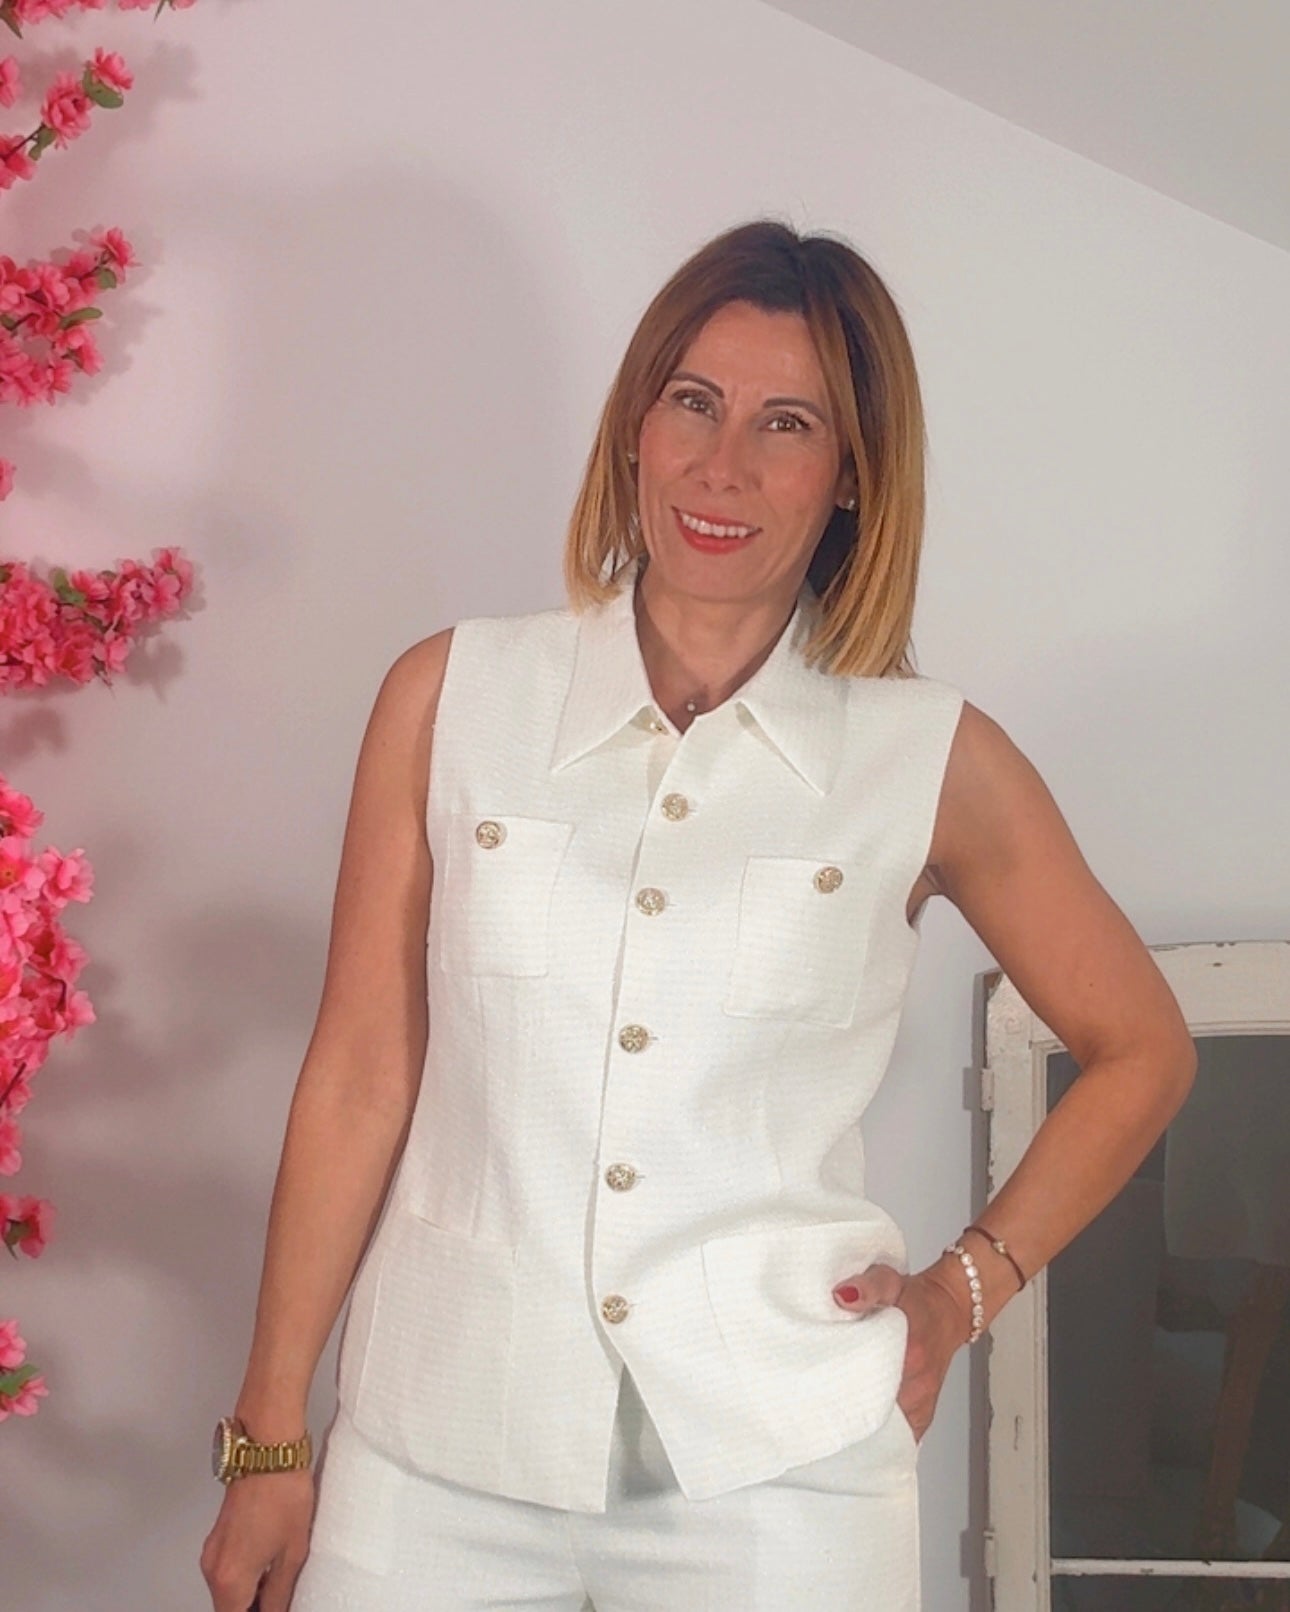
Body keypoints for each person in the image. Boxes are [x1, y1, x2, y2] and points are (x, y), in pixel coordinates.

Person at [200, 219, 1198, 1612]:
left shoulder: (930, 759)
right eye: (692, 403)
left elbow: (1142, 1048)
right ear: (634, 430)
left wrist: (963, 1291)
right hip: (435, 1452)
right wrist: (269, 1436)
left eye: (787, 425)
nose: (722, 466)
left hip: (780, 1477)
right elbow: (362, 1074)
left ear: (853, 474)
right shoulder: (450, 698)